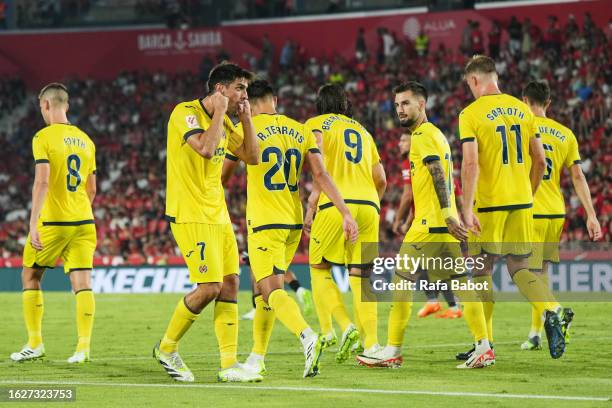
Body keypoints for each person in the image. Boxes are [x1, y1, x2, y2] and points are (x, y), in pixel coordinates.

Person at [225, 79, 358, 378]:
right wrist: (345, 212)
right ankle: (256, 358)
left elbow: (222, 175)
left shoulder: (245, 129)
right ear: (274, 99)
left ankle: (307, 336)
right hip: (293, 220)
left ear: (251, 101)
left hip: (264, 220)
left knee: (270, 290)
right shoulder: (301, 129)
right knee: (264, 293)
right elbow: (321, 174)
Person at [357, 81, 491, 369]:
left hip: (430, 225)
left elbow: (438, 175)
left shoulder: (423, 136)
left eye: (406, 103)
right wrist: (451, 215)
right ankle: (483, 346)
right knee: (461, 284)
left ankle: (392, 350)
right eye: (397, 105)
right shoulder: (437, 135)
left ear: (422, 104)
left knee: (401, 281)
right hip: (444, 226)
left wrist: (445, 214)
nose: (400, 109)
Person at [458, 55, 574, 362]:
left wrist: (466, 208)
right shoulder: (523, 110)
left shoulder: (470, 113)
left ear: (474, 81)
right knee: (520, 269)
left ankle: (485, 343)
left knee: (481, 268)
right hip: (523, 202)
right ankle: (553, 308)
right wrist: (529, 193)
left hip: (490, 205)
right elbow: (541, 161)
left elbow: (470, 163)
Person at [152, 62, 262, 383]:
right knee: (209, 287)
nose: (245, 94)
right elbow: (204, 148)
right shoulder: (183, 112)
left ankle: (228, 365)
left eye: (246, 89)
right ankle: (167, 347)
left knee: (230, 283)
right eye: (240, 88)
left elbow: (253, 157)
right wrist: (220, 114)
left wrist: (246, 118)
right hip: (190, 212)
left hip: (218, 212)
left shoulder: (228, 121)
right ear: (220, 89)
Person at [11, 83, 97, 364]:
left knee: (30, 276)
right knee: (82, 283)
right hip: (84, 221)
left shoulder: (43, 137)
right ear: (66, 105)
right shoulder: (86, 140)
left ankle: (35, 343)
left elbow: (43, 181)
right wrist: (79, 210)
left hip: (53, 222)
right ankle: (83, 348)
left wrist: (34, 223)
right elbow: (92, 188)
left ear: (45, 105)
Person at [304, 84, 387, 364]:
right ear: (344, 104)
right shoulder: (364, 132)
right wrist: (371, 207)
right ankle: (373, 346)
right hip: (369, 205)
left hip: (335, 205)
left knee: (318, 269)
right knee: (362, 279)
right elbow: (382, 180)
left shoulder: (315, 124)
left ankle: (344, 325)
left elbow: (320, 166)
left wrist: (312, 203)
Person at [520, 81, 601, 350]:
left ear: (524, 101)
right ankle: (535, 333)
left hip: (530, 209)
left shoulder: (521, 129)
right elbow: (578, 176)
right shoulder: (565, 133)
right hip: (556, 211)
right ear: (549, 103)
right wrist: (591, 215)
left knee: (522, 272)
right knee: (540, 273)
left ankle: (555, 311)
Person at [393, 132, 461, 319]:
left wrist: (399, 220)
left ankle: (434, 301)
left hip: (430, 222)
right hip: (439, 220)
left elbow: (408, 196)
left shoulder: (411, 161)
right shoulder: (437, 159)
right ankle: (453, 307)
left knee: (413, 266)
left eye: (404, 140)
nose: (400, 144)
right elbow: (454, 189)